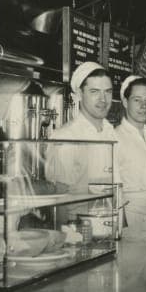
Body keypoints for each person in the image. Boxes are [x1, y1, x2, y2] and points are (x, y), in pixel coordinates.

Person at [44, 62, 121, 211]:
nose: (103, 99)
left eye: (108, 92)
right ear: (79, 94)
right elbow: (59, 199)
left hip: (110, 220)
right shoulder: (66, 137)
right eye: (94, 91)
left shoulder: (111, 132)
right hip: (79, 223)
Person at [114, 75, 146, 239]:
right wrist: (122, 229)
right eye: (137, 100)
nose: (143, 106)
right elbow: (114, 191)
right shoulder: (116, 137)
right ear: (125, 102)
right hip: (130, 217)